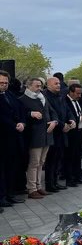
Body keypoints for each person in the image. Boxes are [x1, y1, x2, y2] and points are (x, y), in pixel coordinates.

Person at [19, 77, 56, 198]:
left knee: (41, 162)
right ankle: (32, 188)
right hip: (34, 135)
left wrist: (54, 121)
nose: (40, 88)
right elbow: (19, 114)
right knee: (34, 163)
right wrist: (30, 114)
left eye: (41, 86)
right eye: (37, 86)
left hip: (46, 134)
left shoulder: (42, 97)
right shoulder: (23, 99)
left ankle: (39, 186)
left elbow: (51, 111)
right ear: (28, 86)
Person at [0, 70, 26, 208]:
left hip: (14, 138)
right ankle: (2, 196)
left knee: (11, 168)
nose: (4, 85)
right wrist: (14, 125)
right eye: (1, 83)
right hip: (3, 137)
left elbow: (21, 110)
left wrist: (22, 122)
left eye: (6, 83)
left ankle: (10, 194)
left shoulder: (10, 95)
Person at [43, 75, 74, 192]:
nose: (58, 85)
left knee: (58, 157)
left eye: (59, 84)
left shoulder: (61, 96)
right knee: (51, 159)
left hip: (62, 132)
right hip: (53, 132)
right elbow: (52, 113)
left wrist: (71, 120)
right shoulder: (45, 96)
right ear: (48, 85)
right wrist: (62, 125)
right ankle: (49, 183)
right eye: (55, 83)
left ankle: (55, 181)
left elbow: (67, 110)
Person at [64, 82, 82, 186]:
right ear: (71, 92)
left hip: (80, 131)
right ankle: (69, 178)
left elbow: (78, 113)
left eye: (80, 93)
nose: (79, 96)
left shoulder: (78, 101)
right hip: (71, 132)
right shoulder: (65, 101)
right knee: (70, 156)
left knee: (78, 155)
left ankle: (78, 176)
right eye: (77, 93)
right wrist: (80, 118)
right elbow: (67, 116)